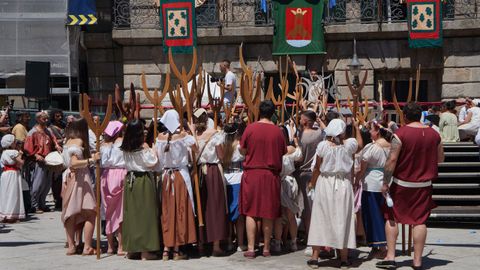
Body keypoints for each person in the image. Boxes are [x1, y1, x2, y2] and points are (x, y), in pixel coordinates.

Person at [376, 102, 444, 270]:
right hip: (423, 185)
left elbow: (392, 160)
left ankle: (391, 257)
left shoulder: (400, 134)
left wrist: (385, 182)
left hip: (402, 185)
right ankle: (417, 261)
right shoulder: (435, 134)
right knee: (420, 221)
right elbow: (440, 158)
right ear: (420, 115)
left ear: (404, 116)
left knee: (391, 217)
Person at [306, 119, 362, 269]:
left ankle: (315, 257)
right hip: (343, 184)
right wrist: (356, 128)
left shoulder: (323, 146)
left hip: (325, 182)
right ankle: (343, 259)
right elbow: (360, 145)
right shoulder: (349, 145)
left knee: (320, 217)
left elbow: (317, 168)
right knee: (342, 219)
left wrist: (312, 183)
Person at [239, 100, 287, 258]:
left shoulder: (250, 128)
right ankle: (266, 248)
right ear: (273, 113)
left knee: (251, 212)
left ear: (259, 111)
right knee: (268, 212)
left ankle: (252, 248)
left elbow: (243, 150)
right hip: (270, 175)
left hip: (252, 174)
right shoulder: (278, 131)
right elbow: (282, 152)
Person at [155, 110, 197, 261]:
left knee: (167, 212)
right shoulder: (183, 136)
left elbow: (158, 161)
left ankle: (166, 249)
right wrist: (191, 131)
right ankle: (177, 249)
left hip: (166, 177)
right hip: (180, 177)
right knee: (180, 210)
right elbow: (195, 148)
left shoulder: (159, 138)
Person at [121, 119, 160, 260]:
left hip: (130, 180)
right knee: (146, 215)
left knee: (132, 215)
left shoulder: (125, 146)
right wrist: (153, 150)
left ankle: (132, 249)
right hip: (142, 180)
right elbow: (151, 163)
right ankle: (145, 251)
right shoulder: (142, 146)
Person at [61, 118, 99, 256]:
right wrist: (91, 160)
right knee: (90, 212)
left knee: (71, 213)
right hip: (79, 179)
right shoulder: (78, 141)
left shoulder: (67, 141)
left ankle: (71, 246)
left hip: (69, 178)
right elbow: (74, 163)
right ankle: (87, 247)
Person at [355, 121, 392, 259]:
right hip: (387, 182)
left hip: (371, 184)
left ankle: (381, 246)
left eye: (370, 129)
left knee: (373, 215)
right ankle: (383, 244)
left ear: (377, 131)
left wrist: (356, 180)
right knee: (384, 215)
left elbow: (362, 168)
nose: (369, 132)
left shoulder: (372, 147)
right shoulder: (391, 146)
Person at [195, 108, 228, 256]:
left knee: (201, 205)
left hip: (198, 172)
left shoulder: (193, 135)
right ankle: (215, 246)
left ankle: (201, 243)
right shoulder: (215, 134)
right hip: (213, 171)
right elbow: (221, 155)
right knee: (215, 207)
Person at [294, 110, 324, 247]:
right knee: (313, 206)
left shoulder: (300, 136)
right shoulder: (319, 134)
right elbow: (327, 130)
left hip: (302, 173)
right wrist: (319, 120)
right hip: (315, 173)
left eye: (301, 119)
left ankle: (308, 236)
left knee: (306, 207)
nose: (299, 120)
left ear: (305, 121)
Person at [272, 125, 303, 253]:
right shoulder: (290, 149)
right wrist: (297, 143)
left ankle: (279, 243)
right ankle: (293, 242)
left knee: (279, 216)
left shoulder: (273, 149)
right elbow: (300, 156)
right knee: (291, 216)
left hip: (280, 182)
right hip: (288, 182)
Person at [24, 111, 62, 213]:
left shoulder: (48, 131)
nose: (46, 120)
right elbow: (27, 148)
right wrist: (35, 155)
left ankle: (42, 204)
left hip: (48, 160)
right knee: (37, 184)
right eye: (43, 119)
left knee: (47, 184)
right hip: (38, 161)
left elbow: (53, 140)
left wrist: (57, 146)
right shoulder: (32, 132)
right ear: (37, 119)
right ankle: (34, 205)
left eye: (46, 118)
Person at [100, 121, 127, 255]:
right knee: (120, 210)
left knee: (108, 210)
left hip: (106, 176)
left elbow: (100, 162)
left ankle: (111, 246)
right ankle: (121, 246)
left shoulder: (103, 145)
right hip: (120, 173)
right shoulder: (123, 142)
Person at [222, 121, 246, 252]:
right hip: (237, 178)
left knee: (229, 212)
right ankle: (240, 243)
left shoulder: (224, 146)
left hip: (225, 178)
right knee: (239, 214)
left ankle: (230, 241)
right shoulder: (239, 146)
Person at [0, 134, 25, 223]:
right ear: (10, 143)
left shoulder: (3, 153)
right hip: (12, 174)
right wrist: (21, 155)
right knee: (12, 194)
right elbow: (20, 162)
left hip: (5, 174)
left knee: (5, 194)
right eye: (14, 142)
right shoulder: (13, 152)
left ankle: (4, 214)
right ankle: (11, 215)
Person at [48, 109, 66, 210]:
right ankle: (57, 200)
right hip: (56, 154)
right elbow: (51, 141)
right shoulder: (50, 128)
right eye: (57, 116)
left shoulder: (64, 126)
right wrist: (62, 140)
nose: (59, 118)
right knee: (56, 179)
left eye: (60, 116)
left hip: (65, 153)